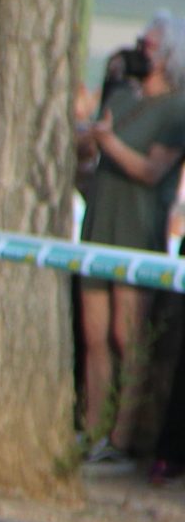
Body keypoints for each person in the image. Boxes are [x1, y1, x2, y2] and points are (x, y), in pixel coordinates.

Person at [74, 23, 185, 463]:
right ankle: (94, 428)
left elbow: (150, 171)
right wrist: (88, 144)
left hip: (138, 229)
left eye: (150, 47)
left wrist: (107, 142)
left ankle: (123, 436)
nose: (142, 51)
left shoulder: (176, 109)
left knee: (128, 334)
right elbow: (90, 156)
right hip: (101, 222)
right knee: (94, 334)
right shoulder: (120, 98)